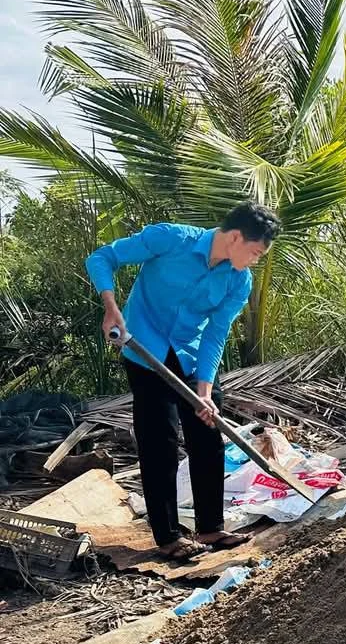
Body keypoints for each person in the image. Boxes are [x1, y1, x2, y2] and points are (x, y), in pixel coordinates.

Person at [86, 201, 281, 561]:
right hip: (144, 349)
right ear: (235, 237)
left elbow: (216, 333)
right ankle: (168, 536)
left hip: (191, 356)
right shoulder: (170, 239)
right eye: (254, 252)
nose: (255, 260)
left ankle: (210, 527)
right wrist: (111, 305)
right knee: (159, 440)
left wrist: (204, 390)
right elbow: (102, 257)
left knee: (208, 431)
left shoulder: (239, 280)